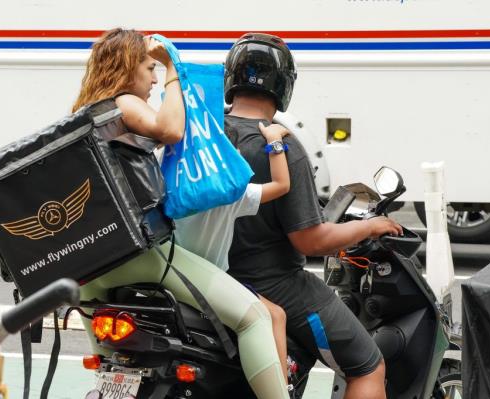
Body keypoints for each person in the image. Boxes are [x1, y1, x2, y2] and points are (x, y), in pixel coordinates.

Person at [73, 28, 290, 398]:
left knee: (113, 359)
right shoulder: (122, 102)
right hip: (134, 256)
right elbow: (170, 129)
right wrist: (174, 68)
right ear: (127, 69)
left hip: (89, 270)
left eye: (157, 70)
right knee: (255, 317)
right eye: (147, 68)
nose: (153, 77)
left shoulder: (82, 115)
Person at [224, 33, 403, 399]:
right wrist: (368, 225)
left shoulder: (205, 134)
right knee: (368, 365)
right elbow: (311, 240)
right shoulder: (281, 147)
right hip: (274, 283)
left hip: (214, 281)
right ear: (283, 85)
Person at [174, 121, 292, 386]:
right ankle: (279, 388)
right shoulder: (231, 195)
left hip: (165, 279)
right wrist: (274, 140)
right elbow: (282, 185)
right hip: (209, 284)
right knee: (274, 315)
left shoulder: (171, 189)